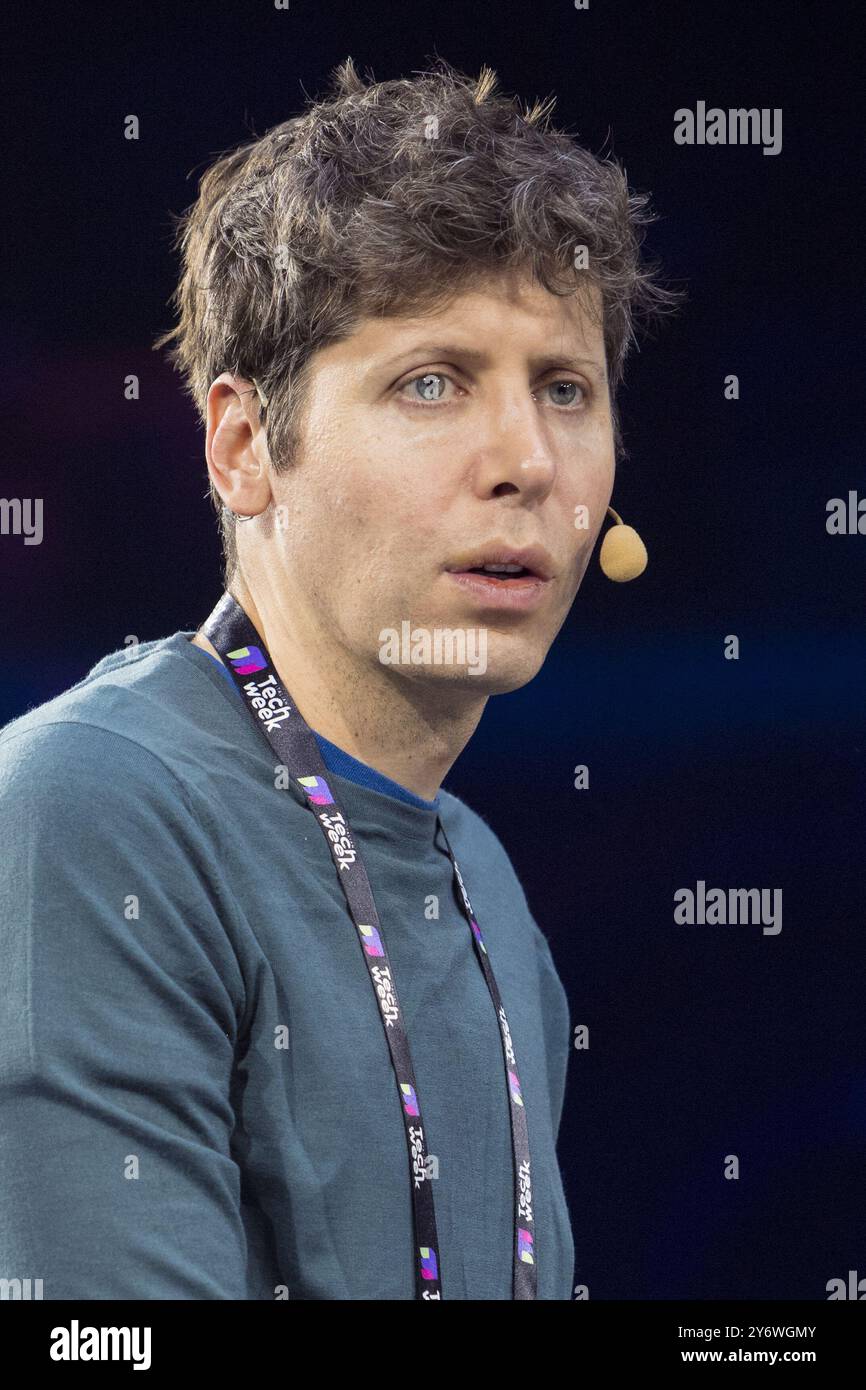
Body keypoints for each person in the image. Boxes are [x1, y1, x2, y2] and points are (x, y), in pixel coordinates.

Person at [0, 57, 678, 1300]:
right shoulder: (86, 808)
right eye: (432, 382)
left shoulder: (482, 885)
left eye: (563, 388)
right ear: (243, 446)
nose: (527, 459)